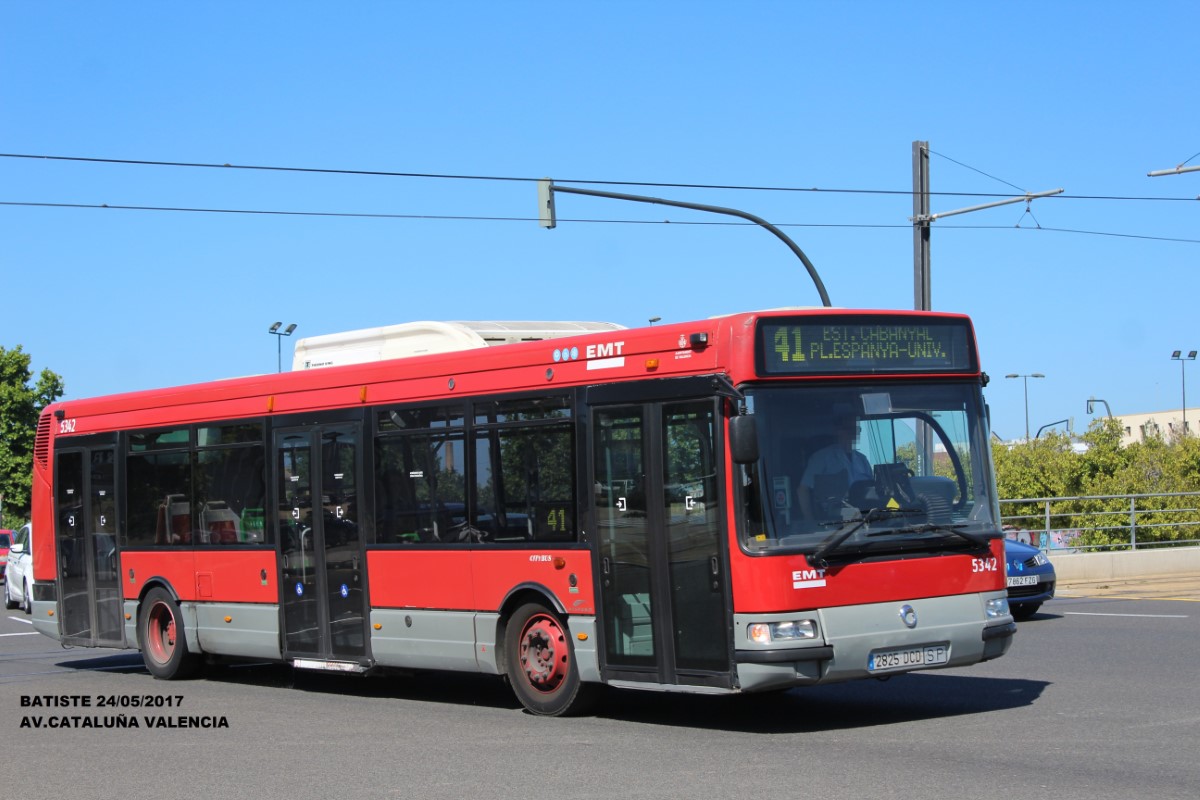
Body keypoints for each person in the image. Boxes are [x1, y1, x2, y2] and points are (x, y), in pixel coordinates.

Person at [798, 415, 872, 519]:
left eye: (857, 429)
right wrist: (810, 522)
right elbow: (803, 490)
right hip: (834, 519)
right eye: (849, 429)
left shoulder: (863, 460)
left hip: (866, 516)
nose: (854, 433)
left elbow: (872, 489)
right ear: (838, 431)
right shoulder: (821, 458)